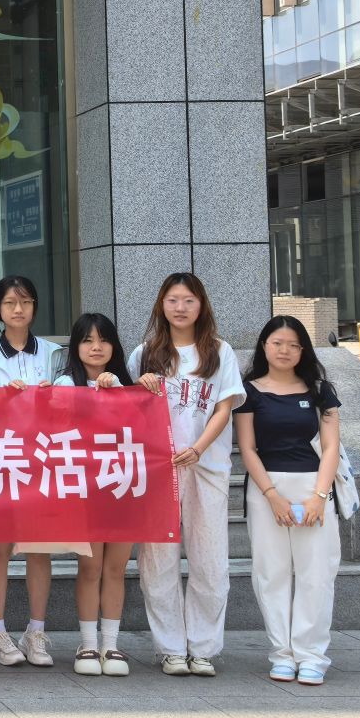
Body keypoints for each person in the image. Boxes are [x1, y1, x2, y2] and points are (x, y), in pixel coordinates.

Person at [131, 272, 246, 678]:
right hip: (159, 473)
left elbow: (224, 408)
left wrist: (198, 448)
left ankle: (203, 648)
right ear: (161, 305)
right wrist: (140, 385)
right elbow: (128, 410)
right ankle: (170, 649)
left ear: (202, 306)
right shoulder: (144, 353)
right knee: (157, 561)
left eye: (189, 300)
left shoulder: (219, 351)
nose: (180, 308)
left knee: (209, 559)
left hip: (207, 467)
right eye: (172, 300)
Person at [234, 315, 342, 686]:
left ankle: (312, 656)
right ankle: (282, 654)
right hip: (267, 489)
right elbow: (247, 448)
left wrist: (320, 497)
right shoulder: (248, 391)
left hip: (314, 486)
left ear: (303, 350)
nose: (285, 350)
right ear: (264, 345)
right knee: (272, 574)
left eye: (294, 345)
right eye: (277, 343)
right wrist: (272, 496)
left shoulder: (320, 390)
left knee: (317, 574)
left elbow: (331, 446)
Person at [0, 275, 66, 669]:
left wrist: (52, 396)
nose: (18, 309)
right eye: (10, 303)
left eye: (25, 302)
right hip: (0, 458)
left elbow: (71, 402)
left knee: (39, 547)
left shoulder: (55, 354)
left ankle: (36, 632)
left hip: (43, 459)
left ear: (35, 307)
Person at [54, 312, 136, 677]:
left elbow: (140, 427)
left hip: (122, 486)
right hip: (83, 489)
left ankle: (111, 644)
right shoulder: (64, 383)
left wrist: (117, 391)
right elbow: (58, 426)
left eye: (103, 340)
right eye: (87, 340)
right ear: (75, 347)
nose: (96, 347)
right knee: (90, 567)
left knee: (116, 568)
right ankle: (87, 643)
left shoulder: (126, 385)